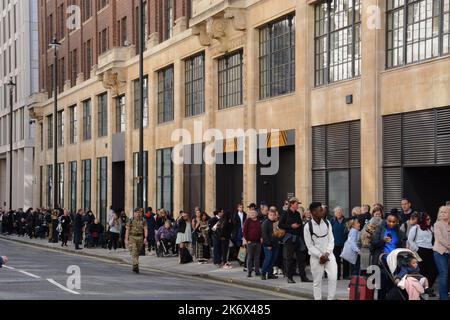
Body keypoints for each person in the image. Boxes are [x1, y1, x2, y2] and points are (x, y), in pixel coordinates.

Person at [304, 202, 337, 300]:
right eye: (320, 210)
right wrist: (320, 256)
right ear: (314, 212)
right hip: (315, 257)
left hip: (329, 255)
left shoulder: (327, 223)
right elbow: (309, 245)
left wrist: (327, 253)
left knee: (333, 278)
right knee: (317, 282)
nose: (323, 211)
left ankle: (330, 299)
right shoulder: (307, 227)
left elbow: (331, 240)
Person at [370, 211, 407, 300]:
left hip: (394, 262)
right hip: (381, 261)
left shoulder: (400, 232)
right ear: (386, 220)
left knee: (392, 285)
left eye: (394, 221)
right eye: (389, 221)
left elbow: (402, 246)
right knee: (381, 286)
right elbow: (373, 245)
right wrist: (383, 240)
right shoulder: (380, 229)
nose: (391, 223)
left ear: (397, 221)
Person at [279, 197, 311, 284]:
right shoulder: (285, 213)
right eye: (296, 204)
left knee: (301, 258)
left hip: (298, 239)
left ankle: (303, 277)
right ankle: (289, 277)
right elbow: (280, 225)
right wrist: (291, 226)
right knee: (289, 259)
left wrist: (303, 239)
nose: (298, 205)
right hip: (289, 239)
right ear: (292, 204)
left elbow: (300, 225)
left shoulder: (297, 213)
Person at [407, 212, 438, 292]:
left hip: (430, 251)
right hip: (420, 250)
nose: (429, 220)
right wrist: (417, 249)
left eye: (430, 219)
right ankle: (422, 289)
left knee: (434, 270)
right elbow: (410, 239)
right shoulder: (415, 228)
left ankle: (427, 287)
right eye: (427, 219)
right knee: (422, 270)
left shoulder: (430, 227)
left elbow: (435, 238)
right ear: (422, 219)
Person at [433, 205, 450, 300]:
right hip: (439, 252)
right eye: (441, 212)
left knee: (447, 275)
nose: (443, 214)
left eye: (445, 212)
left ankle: (443, 295)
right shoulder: (437, 224)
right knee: (444, 274)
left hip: (449, 252)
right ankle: (444, 298)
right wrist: (448, 246)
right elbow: (440, 238)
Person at [125, 209, 148, 273]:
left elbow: (145, 229)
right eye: (136, 213)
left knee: (137, 252)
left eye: (139, 213)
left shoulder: (143, 220)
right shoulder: (130, 220)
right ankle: (135, 264)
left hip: (140, 237)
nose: (138, 214)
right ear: (134, 213)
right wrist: (126, 239)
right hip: (132, 237)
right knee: (134, 250)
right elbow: (127, 230)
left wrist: (145, 238)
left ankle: (135, 266)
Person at [261, 208, 280, 280]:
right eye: (270, 215)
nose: (272, 216)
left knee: (273, 260)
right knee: (268, 259)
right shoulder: (265, 223)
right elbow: (264, 235)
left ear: (275, 216)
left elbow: (277, 233)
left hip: (275, 244)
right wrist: (268, 245)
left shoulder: (275, 223)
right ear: (268, 215)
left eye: (273, 215)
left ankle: (270, 274)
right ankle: (263, 273)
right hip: (268, 245)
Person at [331, 207, 350, 280]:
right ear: (335, 214)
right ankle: (337, 275)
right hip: (335, 243)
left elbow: (349, 231)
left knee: (345, 259)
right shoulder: (332, 221)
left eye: (339, 212)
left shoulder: (346, 221)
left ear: (342, 213)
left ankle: (346, 275)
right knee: (336, 260)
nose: (338, 214)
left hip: (345, 242)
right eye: (337, 212)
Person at [243, 209, 262, 277]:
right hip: (250, 242)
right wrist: (247, 240)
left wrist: (261, 238)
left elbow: (261, 231)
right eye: (251, 213)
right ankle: (249, 272)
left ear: (256, 214)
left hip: (258, 242)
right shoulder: (247, 221)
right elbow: (244, 231)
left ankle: (257, 271)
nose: (252, 214)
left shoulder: (259, 221)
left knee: (257, 258)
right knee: (250, 257)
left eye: (254, 213)